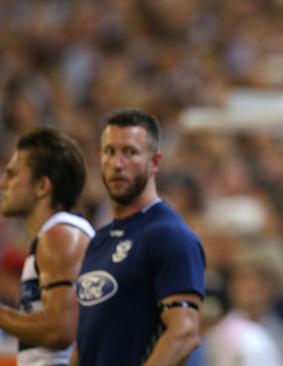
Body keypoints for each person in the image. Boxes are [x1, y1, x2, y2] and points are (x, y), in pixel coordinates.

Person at [71, 109, 205, 366]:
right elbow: (87, 339)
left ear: (154, 162)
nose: (117, 163)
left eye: (130, 152)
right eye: (110, 152)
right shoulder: (99, 241)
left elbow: (184, 333)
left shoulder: (169, 235)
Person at [0, 127, 93, 366]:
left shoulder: (60, 235)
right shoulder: (56, 234)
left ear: (43, 186)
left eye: (12, 174)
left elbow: (61, 330)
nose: (2, 184)